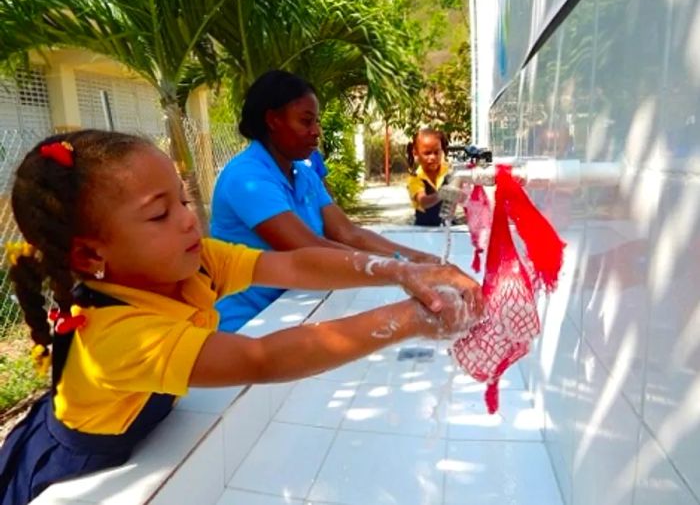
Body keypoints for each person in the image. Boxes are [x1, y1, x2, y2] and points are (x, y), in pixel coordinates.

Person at [0, 130, 482, 505]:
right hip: (77, 469)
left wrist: (403, 270)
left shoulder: (194, 263)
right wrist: (412, 318)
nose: (189, 219)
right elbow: (262, 358)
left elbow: (295, 263)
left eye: (183, 201)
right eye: (159, 215)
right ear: (89, 254)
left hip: (134, 429)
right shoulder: (116, 337)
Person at [210, 70, 441, 332]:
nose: (316, 131)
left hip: (302, 302)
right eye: (306, 122)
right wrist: (400, 271)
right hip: (250, 322)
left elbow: (347, 232)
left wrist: (417, 258)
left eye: (316, 122)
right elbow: (308, 248)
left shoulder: (303, 172)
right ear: (273, 120)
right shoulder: (246, 178)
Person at [407, 128, 452, 227]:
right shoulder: (416, 178)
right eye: (427, 153)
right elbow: (423, 201)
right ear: (415, 153)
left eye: (437, 152)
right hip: (424, 230)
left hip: (447, 227)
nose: (432, 157)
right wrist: (442, 194)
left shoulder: (449, 171)